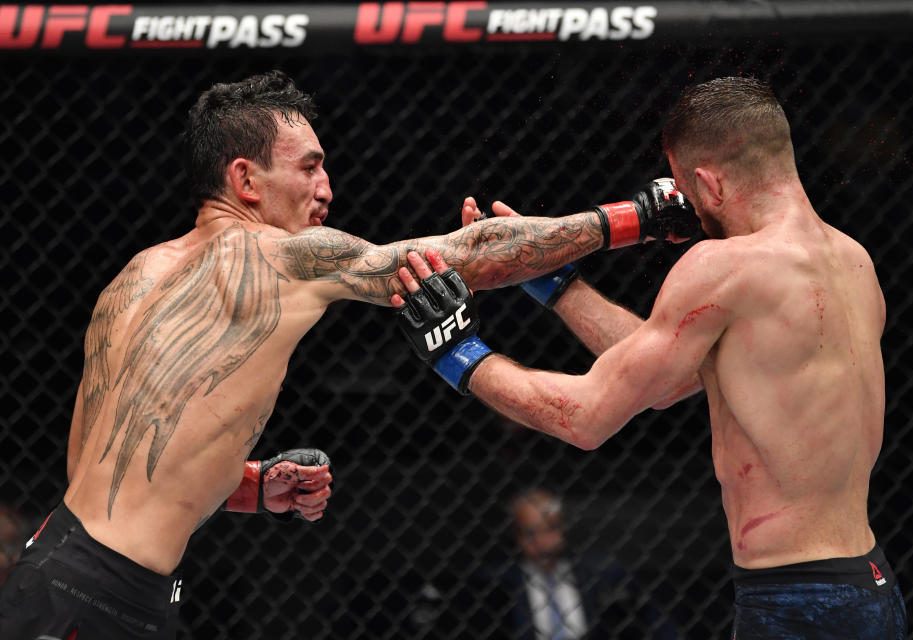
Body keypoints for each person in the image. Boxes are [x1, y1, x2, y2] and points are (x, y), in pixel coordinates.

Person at [0, 69, 692, 640]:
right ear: (246, 179)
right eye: (309, 167)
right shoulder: (284, 257)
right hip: (103, 600)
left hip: (58, 568)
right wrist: (641, 215)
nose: (327, 188)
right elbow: (461, 258)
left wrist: (251, 485)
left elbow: (107, 465)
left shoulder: (134, 276)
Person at [393, 76, 907, 638]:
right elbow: (666, 382)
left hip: (795, 598)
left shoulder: (726, 267)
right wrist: (553, 279)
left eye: (685, 187)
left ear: (708, 182)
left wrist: (458, 351)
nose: (684, 205)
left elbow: (586, 417)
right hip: (869, 581)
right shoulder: (853, 263)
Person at [474, 487, 675, 640]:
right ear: (517, 535)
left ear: (562, 528)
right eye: (531, 533)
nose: (542, 542)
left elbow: (654, 621)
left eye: (550, 529)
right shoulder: (498, 584)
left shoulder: (601, 573)